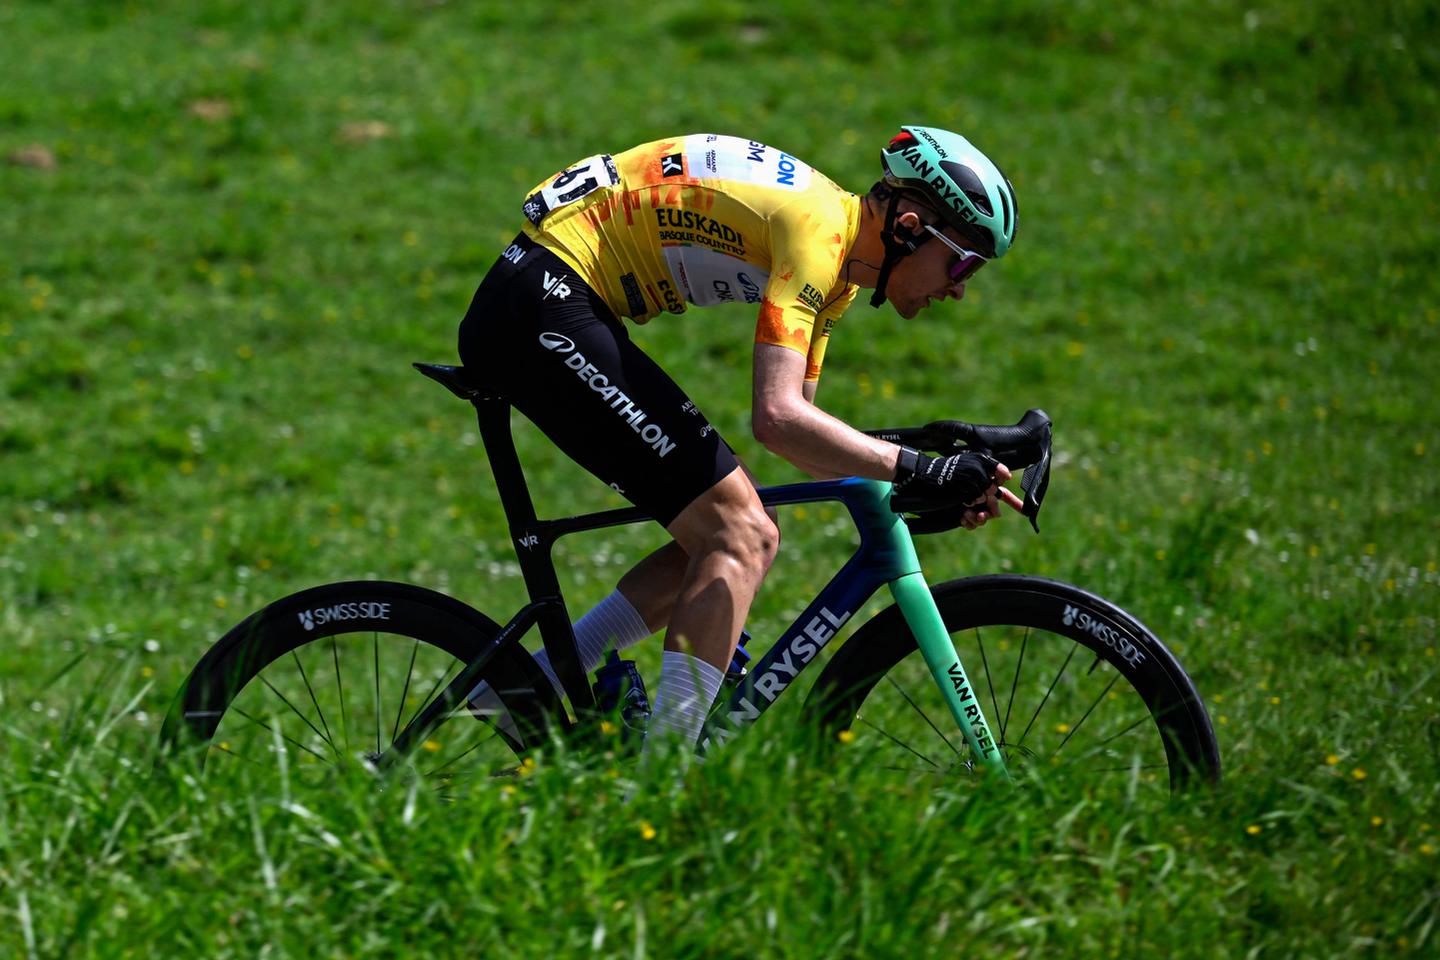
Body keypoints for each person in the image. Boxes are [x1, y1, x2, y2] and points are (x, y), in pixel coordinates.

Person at [460, 127, 1024, 759]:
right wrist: (922, 469)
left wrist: (928, 469)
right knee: (740, 532)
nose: (960, 288)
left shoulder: (837, 267)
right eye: (963, 262)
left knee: (741, 522)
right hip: (542, 302)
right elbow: (777, 418)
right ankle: (663, 781)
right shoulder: (818, 236)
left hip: (545, 294)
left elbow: (806, 434)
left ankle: (526, 686)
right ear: (911, 226)